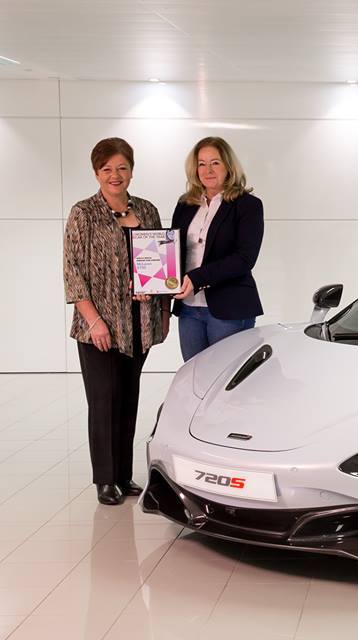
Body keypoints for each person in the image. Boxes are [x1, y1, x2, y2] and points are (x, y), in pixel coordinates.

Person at [63, 137, 169, 505]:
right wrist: (94, 321)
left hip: (138, 323)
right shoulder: (84, 212)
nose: (115, 175)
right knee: (104, 401)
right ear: (96, 172)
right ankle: (105, 480)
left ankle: (124, 474)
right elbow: (73, 272)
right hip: (100, 328)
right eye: (107, 168)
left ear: (131, 170)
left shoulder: (148, 210)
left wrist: (154, 295)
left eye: (122, 167)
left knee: (128, 398)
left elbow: (161, 266)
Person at [172, 137, 264, 361]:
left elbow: (244, 258)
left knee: (225, 382)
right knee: (194, 378)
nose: (208, 170)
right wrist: (151, 281)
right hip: (189, 309)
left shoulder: (248, 205)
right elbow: (171, 250)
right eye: (201, 163)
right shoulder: (185, 205)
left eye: (215, 162)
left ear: (228, 167)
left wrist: (197, 277)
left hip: (229, 309)